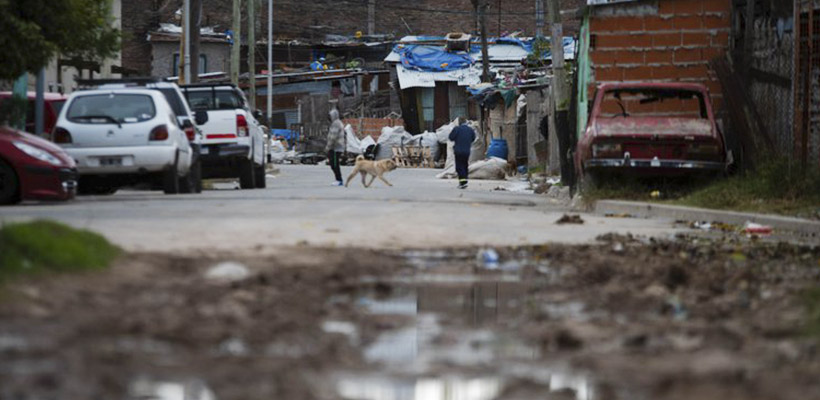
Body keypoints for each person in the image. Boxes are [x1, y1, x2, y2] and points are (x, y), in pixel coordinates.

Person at [448, 117, 476, 189]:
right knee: (465, 165)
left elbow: (451, 137)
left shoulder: (457, 129)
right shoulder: (470, 130)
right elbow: (473, 138)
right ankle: (465, 180)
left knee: (459, 166)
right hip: (467, 151)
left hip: (458, 151)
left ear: (459, 122)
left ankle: (463, 182)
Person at [325, 109, 346, 186]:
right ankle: (338, 179)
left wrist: (328, 147)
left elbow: (333, 137)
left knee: (334, 164)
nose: (329, 118)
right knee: (333, 163)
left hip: (335, 147)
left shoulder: (336, 124)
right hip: (336, 147)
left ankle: (339, 179)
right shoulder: (336, 123)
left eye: (330, 116)